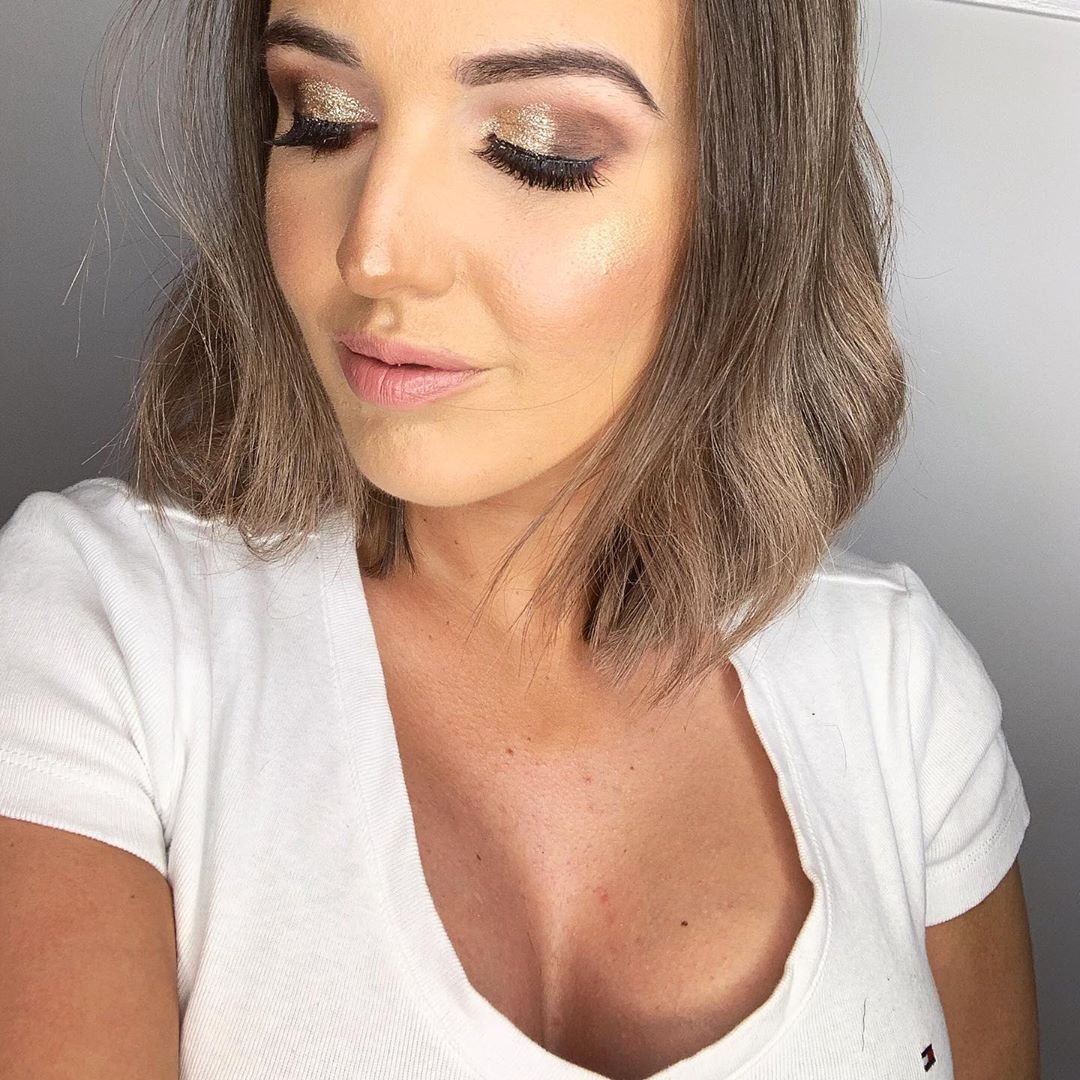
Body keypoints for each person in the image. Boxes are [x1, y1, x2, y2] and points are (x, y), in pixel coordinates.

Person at [0, 0, 1039, 1077]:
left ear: (750, 198)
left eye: (536, 149)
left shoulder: (900, 691)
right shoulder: (98, 641)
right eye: (321, 117)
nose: (373, 251)